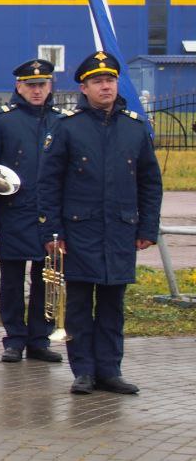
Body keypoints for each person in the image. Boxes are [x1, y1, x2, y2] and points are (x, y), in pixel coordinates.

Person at [38, 51, 162, 395]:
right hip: (79, 232)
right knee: (78, 305)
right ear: (84, 87)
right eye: (97, 81)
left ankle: (110, 370)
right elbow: (49, 183)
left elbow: (150, 182)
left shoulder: (135, 128)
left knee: (112, 304)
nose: (105, 86)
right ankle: (84, 371)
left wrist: (147, 228)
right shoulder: (67, 127)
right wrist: (52, 231)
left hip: (121, 230)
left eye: (110, 80)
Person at [0, 60, 66, 363]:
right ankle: (14, 339)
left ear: (50, 86)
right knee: (11, 279)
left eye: (42, 85)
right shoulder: (1, 120)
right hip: (14, 210)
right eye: (31, 85)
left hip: (50, 213)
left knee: (46, 279)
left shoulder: (61, 121)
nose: (37, 91)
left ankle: (39, 339)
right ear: (19, 87)